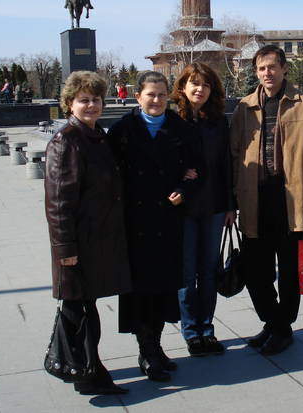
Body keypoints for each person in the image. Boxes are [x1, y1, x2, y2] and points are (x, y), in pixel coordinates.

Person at [107, 71, 200, 382]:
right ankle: (147, 351)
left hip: (167, 221)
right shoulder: (122, 130)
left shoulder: (180, 129)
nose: (157, 100)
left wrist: (184, 191)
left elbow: (197, 169)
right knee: (141, 290)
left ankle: (155, 347)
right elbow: (110, 176)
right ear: (138, 97)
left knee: (163, 289)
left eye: (162, 95)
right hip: (135, 222)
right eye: (151, 94)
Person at [230, 45, 303, 355]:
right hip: (255, 198)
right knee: (256, 270)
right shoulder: (244, 107)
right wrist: (232, 202)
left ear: (283, 68)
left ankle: (281, 327)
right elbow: (233, 155)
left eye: (272, 67)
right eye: (261, 68)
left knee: (288, 270)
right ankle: (275, 323)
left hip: (290, 198)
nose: (267, 73)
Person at [44, 71, 131, 395]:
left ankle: (86, 369)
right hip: (77, 245)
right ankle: (86, 370)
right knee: (79, 310)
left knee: (84, 308)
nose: (91, 105)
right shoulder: (66, 140)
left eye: (96, 99)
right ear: (69, 104)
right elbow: (58, 201)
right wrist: (65, 248)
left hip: (96, 241)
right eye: (84, 100)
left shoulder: (96, 136)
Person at [172, 63, 236, 357]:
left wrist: (229, 206)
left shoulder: (218, 122)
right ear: (183, 86)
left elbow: (226, 165)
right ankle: (191, 331)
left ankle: (207, 329)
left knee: (209, 272)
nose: (200, 89)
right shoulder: (172, 120)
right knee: (186, 274)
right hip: (183, 210)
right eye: (194, 83)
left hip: (212, 207)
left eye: (206, 84)